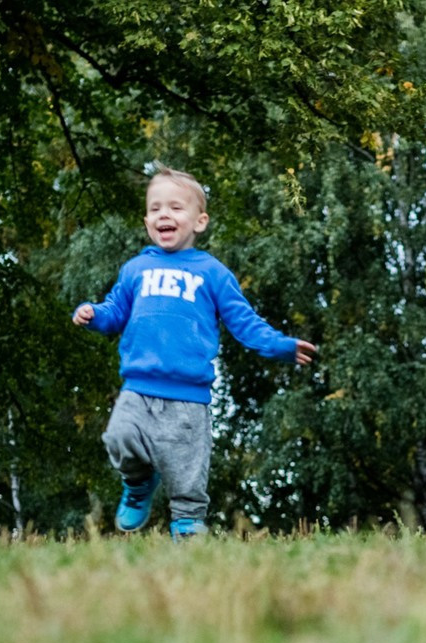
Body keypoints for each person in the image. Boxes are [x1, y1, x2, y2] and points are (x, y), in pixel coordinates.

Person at [73, 168, 316, 537]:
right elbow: (114, 313)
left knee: (186, 471)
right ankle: (138, 483)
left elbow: (244, 322)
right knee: (118, 438)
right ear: (146, 220)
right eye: (155, 209)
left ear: (199, 221)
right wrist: (93, 314)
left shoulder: (212, 273)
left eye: (175, 207)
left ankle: (187, 526)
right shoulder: (136, 268)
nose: (164, 215)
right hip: (137, 388)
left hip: (188, 396)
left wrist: (280, 346)